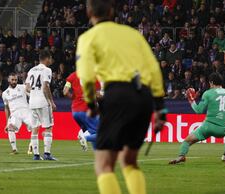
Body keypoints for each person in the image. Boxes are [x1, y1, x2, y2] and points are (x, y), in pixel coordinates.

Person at [76, 1, 167, 194]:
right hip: (142, 97)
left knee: (104, 165)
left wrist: (91, 102)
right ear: (111, 11)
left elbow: (85, 74)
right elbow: (153, 69)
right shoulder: (133, 34)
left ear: (89, 12)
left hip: (117, 95)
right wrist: (159, 107)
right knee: (129, 161)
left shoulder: (87, 38)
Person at [169, 73, 225, 165]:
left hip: (207, 128)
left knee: (187, 141)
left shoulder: (208, 93)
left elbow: (199, 111)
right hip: (222, 130)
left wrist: (191, 100)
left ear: (211, 82)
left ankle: (181, 156)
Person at [25, 50, 57, 161]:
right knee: (48, 127)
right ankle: (47, 154)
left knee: (35, 128)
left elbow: (27, 87)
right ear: (47, 58)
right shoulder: (47, 70)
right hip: (43, 102)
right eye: (50, 58)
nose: (51, 61)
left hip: (32, 102)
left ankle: (36, 155)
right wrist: (51, 101)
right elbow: (45, 87)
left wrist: (33, 92)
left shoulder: (31, 70)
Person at [63, 71, 101, 151]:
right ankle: (84, 137)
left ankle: (96, 152)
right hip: (87, 109)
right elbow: (97, 95)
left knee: (92, 132)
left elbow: (65, 92)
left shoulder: (72, 75)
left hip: (75, 111)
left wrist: (73, 98)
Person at [2, 73, 35, 154]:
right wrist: (7, 122)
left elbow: (32, 94)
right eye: (12, 80)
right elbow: (6, 108)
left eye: (15, 80)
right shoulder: (5, 93)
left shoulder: (23, 87)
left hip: (26, 111)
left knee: (35, 127)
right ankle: (14, 149)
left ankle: (31, 145)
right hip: (15, 113)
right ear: (8, 80)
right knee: (10, 128)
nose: (14, 81)